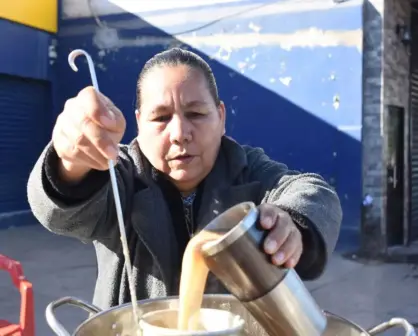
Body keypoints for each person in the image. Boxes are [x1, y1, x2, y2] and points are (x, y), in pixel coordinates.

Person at [27, 48, 342, 310]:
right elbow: (60, 210)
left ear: (221, 117)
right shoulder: (118, 174)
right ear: (139, 123)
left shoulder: (250, 170)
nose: (179, 134)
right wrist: (69, 161)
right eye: (161, 118)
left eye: (196, 114)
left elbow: (312, 191)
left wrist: (293, 222)